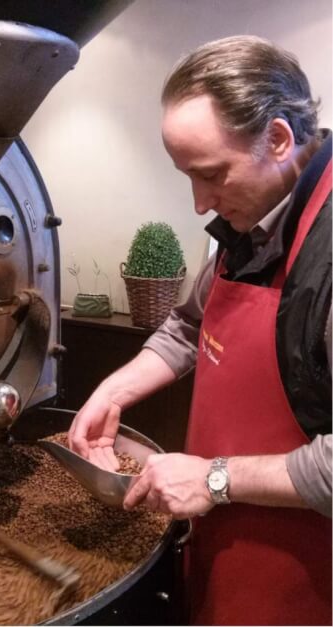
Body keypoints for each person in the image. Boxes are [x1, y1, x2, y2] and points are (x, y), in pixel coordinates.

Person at [68, 35, 332, 626]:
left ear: (280, 139)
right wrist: (111, 391)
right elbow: (189, 328)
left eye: (211, 174)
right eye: (188, 175)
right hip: (227, 534)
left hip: (310, 576)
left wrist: (214, 479)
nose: (198, 203)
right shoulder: (252, 220)